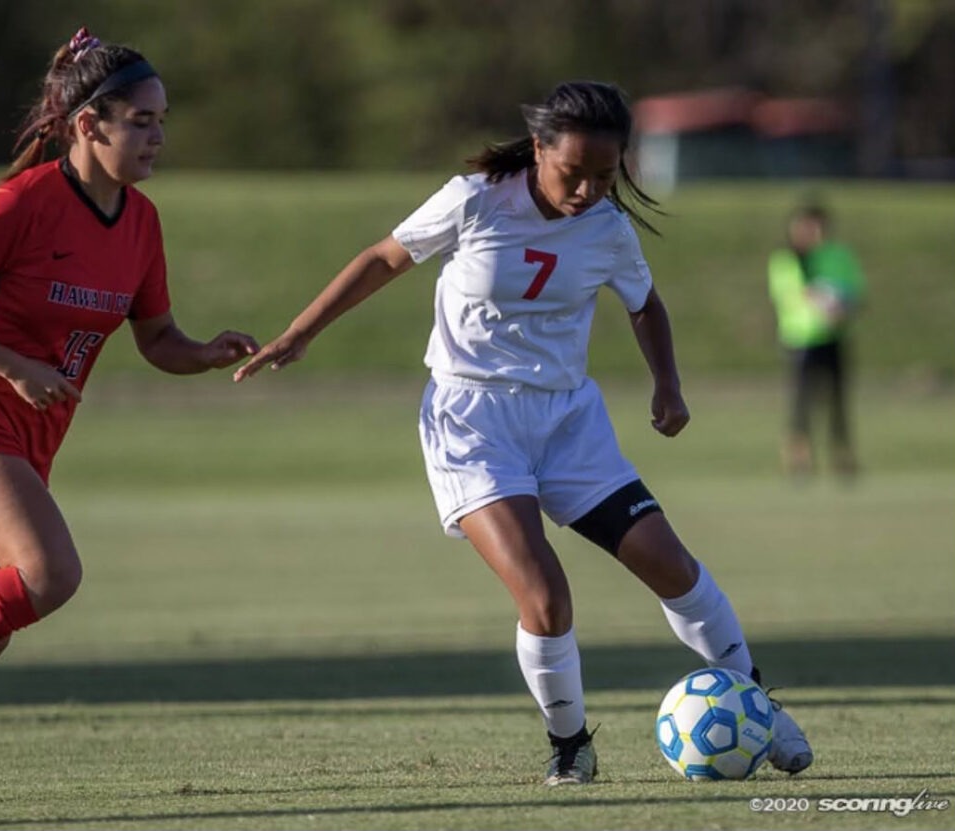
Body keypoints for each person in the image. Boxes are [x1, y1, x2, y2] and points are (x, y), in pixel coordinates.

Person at [234, 80, 813, 785]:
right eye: (575, 174)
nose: (589, 191)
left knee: (670, 564)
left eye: (607, 175)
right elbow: (385, 257)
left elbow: (644, 302)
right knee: (544, 593)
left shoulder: (608, 228)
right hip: (472, 423)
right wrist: (301, 332)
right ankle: (571, 745)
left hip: (569, 421)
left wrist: (668, 384)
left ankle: (757, 702)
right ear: (539, 149)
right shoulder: (476, 197)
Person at [0, 28, 258, 712]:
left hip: (33, 442)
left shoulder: (140, 222)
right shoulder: (18, 205)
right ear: (88, 124)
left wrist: (203, 353)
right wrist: (13, 365)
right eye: (141, 121)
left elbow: (158, 338)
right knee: (50, 572)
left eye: (161, 122)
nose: (157, 138)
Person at [768, 202, 866, 478]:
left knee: (838, 399)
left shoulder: (838, 255)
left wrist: (843, 307)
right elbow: (790, 292)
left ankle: (842, 455)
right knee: (801, 403)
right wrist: (820, 301)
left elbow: (855, 289)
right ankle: (799, 458)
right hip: (801, 338)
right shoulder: (787, 258)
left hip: (834, 336)